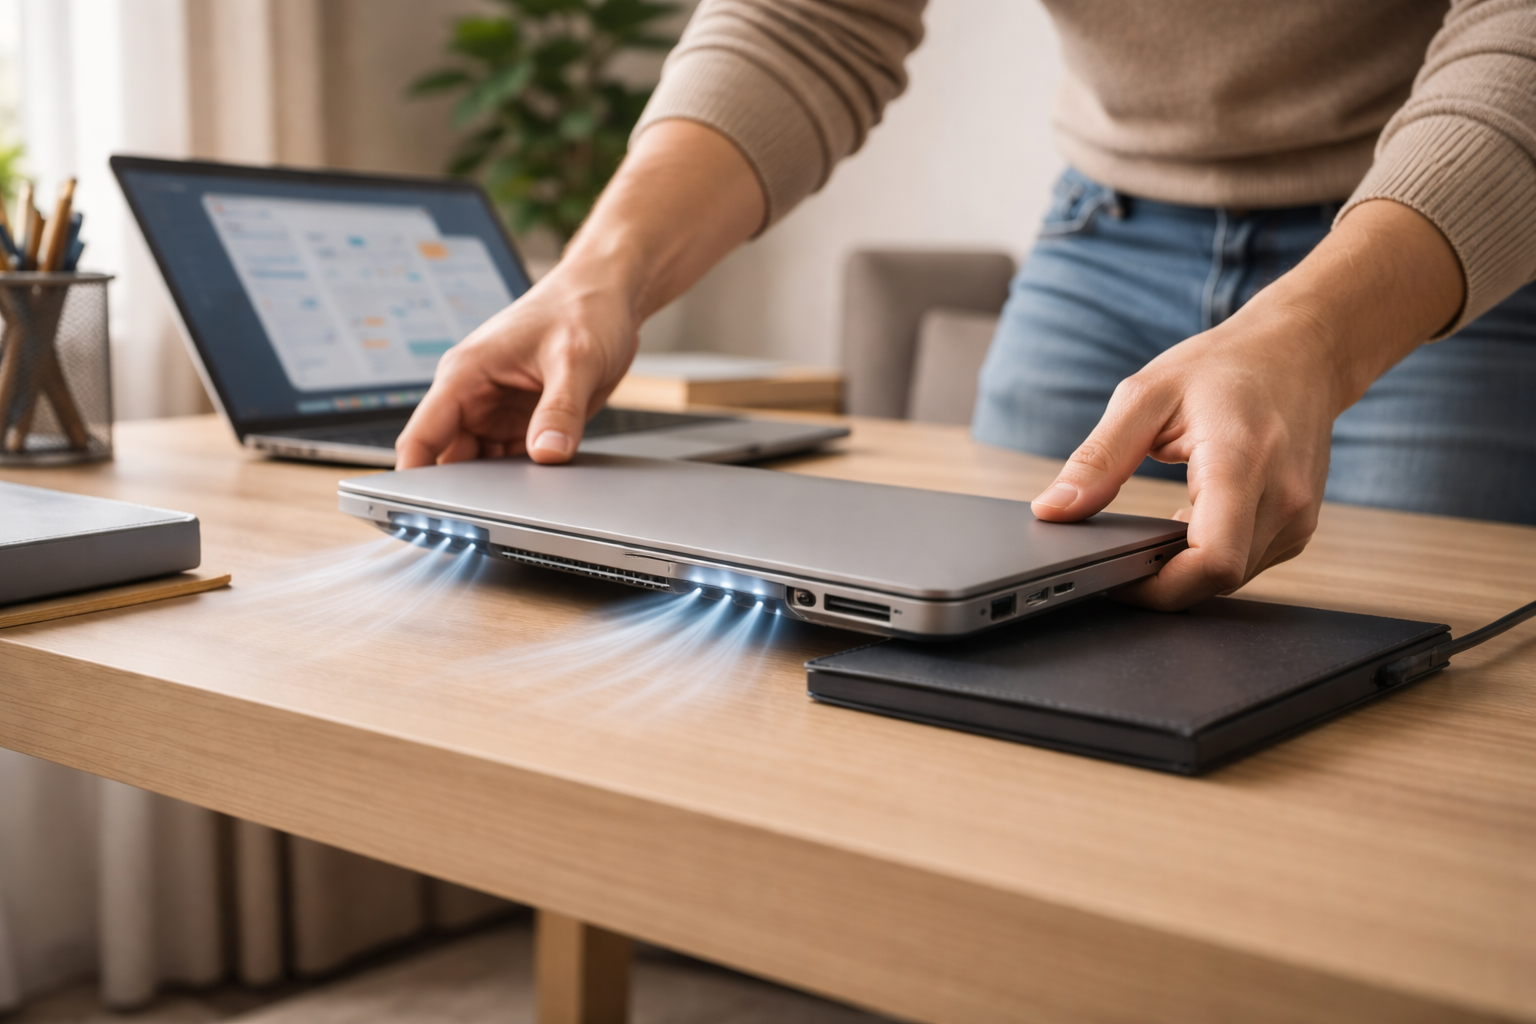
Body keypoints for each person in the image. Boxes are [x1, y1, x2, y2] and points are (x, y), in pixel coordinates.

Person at [397, 0, 1536, 610]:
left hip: (1434, 244)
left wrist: (1319, 331)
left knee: (1397, 697)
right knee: (988, 645)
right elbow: (809, 18)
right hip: (1110, 228)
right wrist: (602, 269)